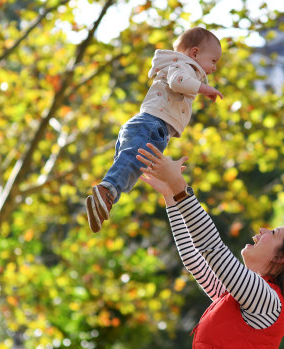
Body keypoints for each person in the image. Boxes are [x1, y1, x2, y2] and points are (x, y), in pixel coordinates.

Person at [136, 143, 284, 349]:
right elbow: (194, 259)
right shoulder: (237, 298)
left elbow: (212, 247)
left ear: (280, 258)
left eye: (272, 232)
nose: (262, 231)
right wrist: (171, 197)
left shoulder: (268, 301)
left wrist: (180, 187)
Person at [86, 27, 224, 233]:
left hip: (149, 126)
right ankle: (107, 190)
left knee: (130, 168)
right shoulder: (184, 65)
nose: (214, 68)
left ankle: (105, 201)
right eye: (213, 61)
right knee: (131, 161)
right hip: (151, 125)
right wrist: (204, 88)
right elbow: (177, 82)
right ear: (195, 53)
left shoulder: (183, 66)